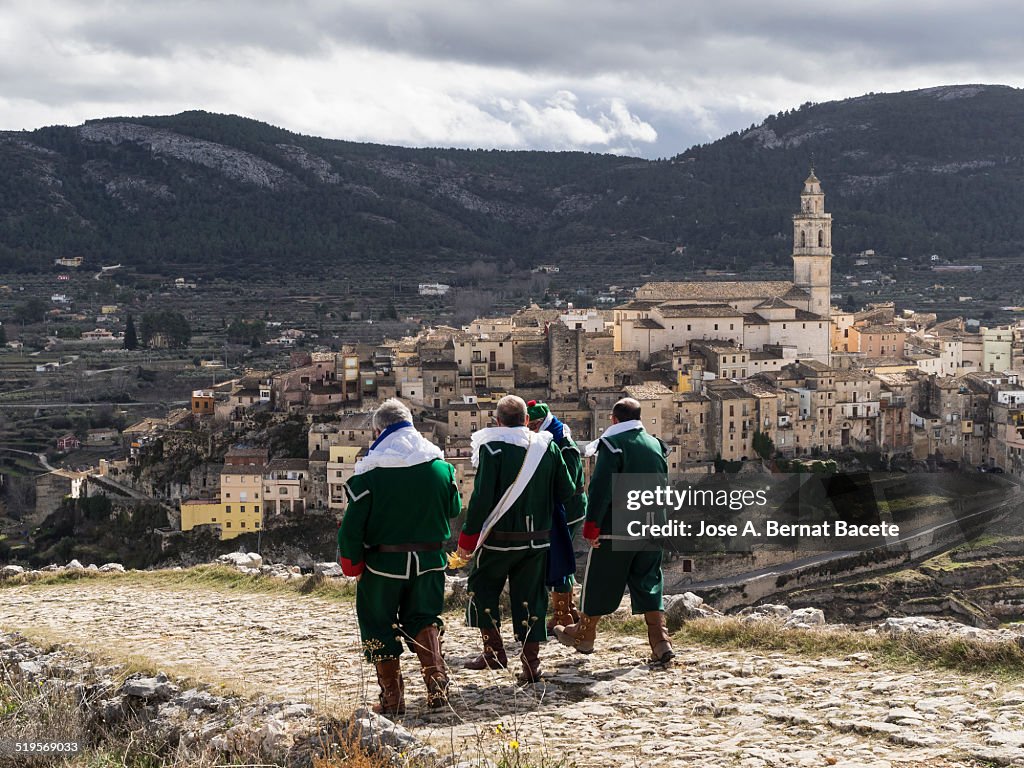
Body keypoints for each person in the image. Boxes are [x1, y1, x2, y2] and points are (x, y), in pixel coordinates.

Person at [338, 398, 461, 714]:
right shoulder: (441, 468)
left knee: (377, 623)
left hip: (384, 566)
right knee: (424, 619)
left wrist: (351, 563)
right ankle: (437, 687)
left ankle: (392, 700)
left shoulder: (369, 474)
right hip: (430, 563)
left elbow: (352, 527)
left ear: (379, 430)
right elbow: (454, 509)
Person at [456, 395, 577, 683]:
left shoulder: (493, 448)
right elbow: (567, 489)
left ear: (498, 421)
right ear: (526, 420)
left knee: (482, 589)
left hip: (499, 539)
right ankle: (531, 666)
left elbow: (482, 497)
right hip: (537, 540)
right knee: (531, 597)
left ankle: (494, 651)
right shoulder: (547, 447)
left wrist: (468, 538)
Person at [554, 397, 675, 665]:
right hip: (652, 526)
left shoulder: (612, 445)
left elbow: (601, 488)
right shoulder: (656, 445)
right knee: (649, 581)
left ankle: (585, 634)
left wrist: (592, 526)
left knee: (599, 580)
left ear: (614, 419)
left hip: (617, 528)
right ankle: (660, 641)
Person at [525, 400, 587, 630]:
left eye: (531, 426)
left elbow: (568, 484)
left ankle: (562, 616)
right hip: (561, 508)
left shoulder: (561, 443)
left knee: (557, 559)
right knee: (562, 557)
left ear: (540, 423)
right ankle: (569, 609)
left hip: (566, 510)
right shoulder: (554, 437)